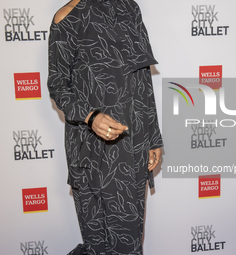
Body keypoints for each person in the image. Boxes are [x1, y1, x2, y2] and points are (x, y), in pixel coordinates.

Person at [47, 0, 163, 254]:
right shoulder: (66, 18)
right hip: (88, 148)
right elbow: (58, 86)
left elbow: (142, 79)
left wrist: (153, 137)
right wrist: (90, 117)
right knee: (97, 243)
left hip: (129, 146)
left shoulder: (129, 7)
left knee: (127, 243)